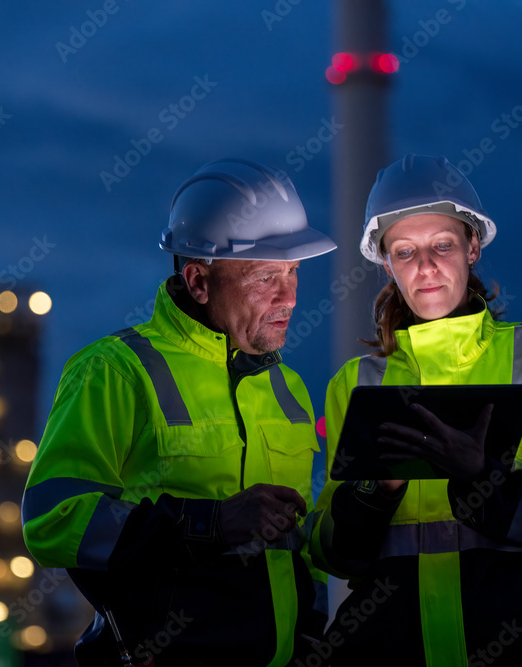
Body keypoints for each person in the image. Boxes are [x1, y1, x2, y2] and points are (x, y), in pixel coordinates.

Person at [22, 158, 336, 666]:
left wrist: (311, 636)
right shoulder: (116, 370)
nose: (289, 297)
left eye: (293, 273)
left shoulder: (287, 387)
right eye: (264, 278)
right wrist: (207, 523)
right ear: (198, 281)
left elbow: (298, 548)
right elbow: (52, 517)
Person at [310, 154, 522, 666]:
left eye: (442, 246)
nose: (424, 267)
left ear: (472, 247)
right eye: (405, 251)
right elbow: (332, 551)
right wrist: (376, 490)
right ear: (386, 262)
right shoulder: (356, 383)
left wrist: (480, 479)